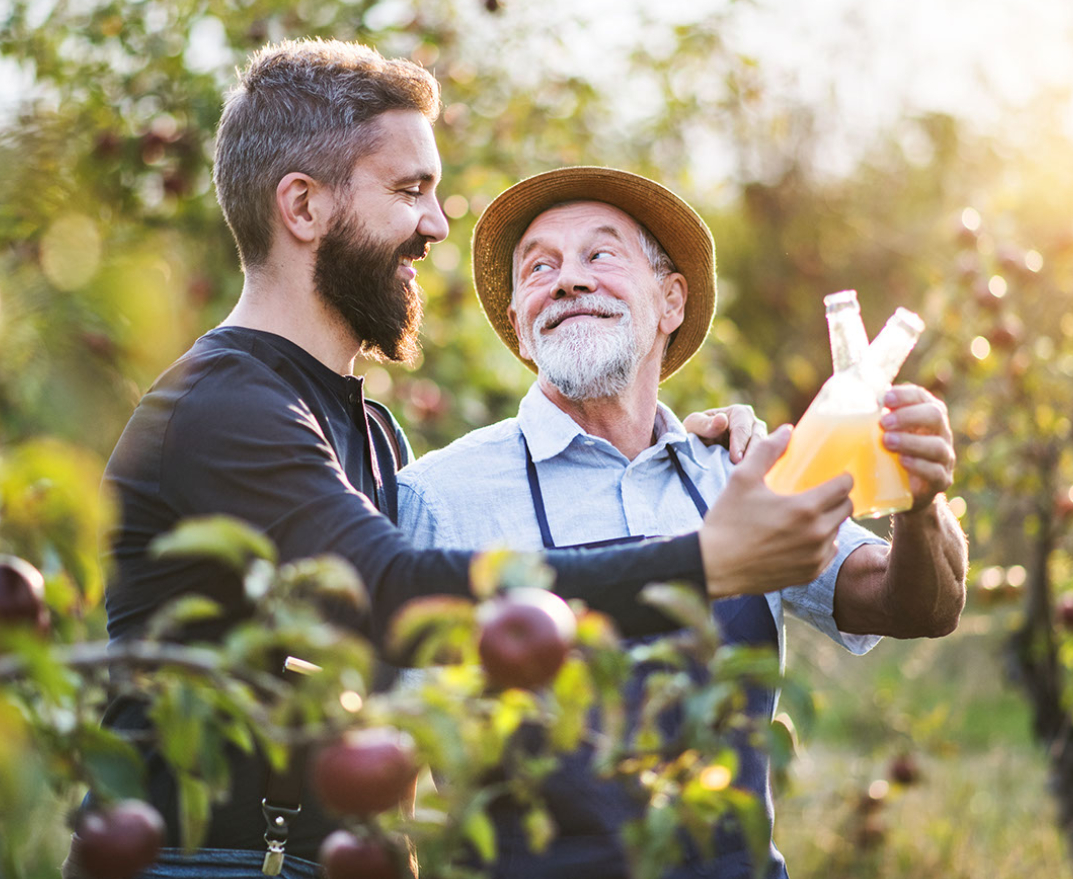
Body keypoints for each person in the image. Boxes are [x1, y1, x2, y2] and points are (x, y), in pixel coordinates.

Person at [67, 41, 864, 879]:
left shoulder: (369, 434)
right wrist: (706, 561)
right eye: (410, 190)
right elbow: (390, 590)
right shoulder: (223, 404)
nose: (438, 224)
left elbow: (404, 688)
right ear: (302, 206)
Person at [396, 166, 968, 878]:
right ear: (521, 326)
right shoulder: (439, 496)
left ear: (671, 300)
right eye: (539, 266)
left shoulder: (737, 469)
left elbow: (916, 605)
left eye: (599, 254)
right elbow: (392, 765)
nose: (568, 279)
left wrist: (920, 502)